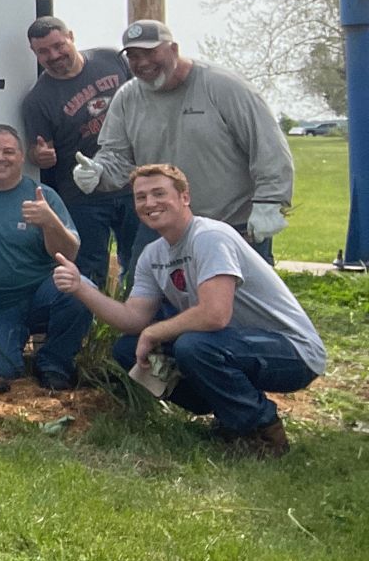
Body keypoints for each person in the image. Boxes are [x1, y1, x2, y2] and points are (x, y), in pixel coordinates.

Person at [53, 163, 324, 456]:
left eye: (159, 193)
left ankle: (262, 432)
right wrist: (81, 287)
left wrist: (155, 331)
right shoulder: (153, 255)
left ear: (184, 197)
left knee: (193, 346)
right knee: (128, 349)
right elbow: (133, 319)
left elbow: (215, 314)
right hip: (234, 345)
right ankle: (226, 412)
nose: (150, 203)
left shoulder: (208, 237)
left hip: (291, 351)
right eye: (141, 197)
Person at [73, 20, 294, 261]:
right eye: (134, 56)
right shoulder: (127, 98)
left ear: (174, 49)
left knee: (236, 299)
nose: (143, 63)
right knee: (144, 297)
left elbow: (267, 147)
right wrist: (98, 172)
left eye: (150, 52)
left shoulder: (223, 86)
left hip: (231, 227)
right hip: (160, 227)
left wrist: (270, 201)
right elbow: (117, 157)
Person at [0, 124, 90, 391]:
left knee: (80, 289)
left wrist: (51, 223)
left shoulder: (44, 196)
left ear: (22, 156)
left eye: (8, 151)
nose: (0, 158)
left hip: (41, 294)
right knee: (2, 371)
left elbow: (69, 254)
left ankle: (54, 364)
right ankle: (17, 353)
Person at [19, 16, 138, 287]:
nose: (54, 55)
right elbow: (38, 153)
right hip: (83, 197)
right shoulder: (37, 100)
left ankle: (138, 323)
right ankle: (93, 327)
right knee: (88, 270)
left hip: (133, 183)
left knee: (140, 262)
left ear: (71, 37)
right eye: (43, 52)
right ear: (34, 53)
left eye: (58, 45)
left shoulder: (111, 59)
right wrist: (41, 156)